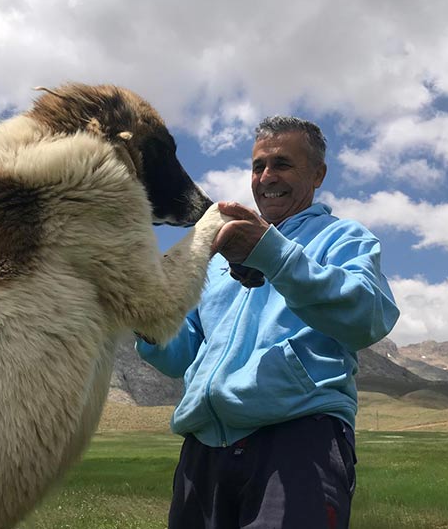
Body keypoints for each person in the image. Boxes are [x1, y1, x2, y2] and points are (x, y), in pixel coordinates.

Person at [136, 116, 399, 529]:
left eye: (282, 164)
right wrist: (146, 317)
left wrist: (271, 254)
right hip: (203, 448)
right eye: (258, 166)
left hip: (298, 441)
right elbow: (183, 355)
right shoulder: (220, 255)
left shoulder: (343, 238)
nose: (266, 177)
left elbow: (369, 317)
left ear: (318, 174)